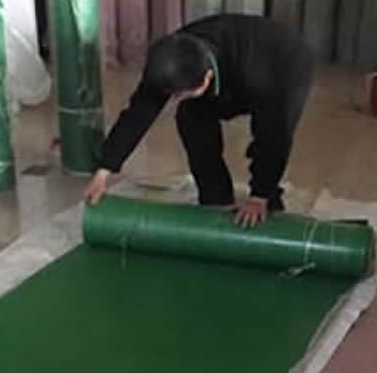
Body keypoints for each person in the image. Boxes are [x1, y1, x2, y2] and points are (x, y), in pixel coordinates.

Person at [83, 13, 315, 228]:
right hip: (232, 61)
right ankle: (216, 197)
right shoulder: (170, 59)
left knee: (272, 133)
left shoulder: (260, 76)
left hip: (283, 63)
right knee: (189, 116)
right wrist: (105, 168)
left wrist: (259, 194)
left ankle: (268, 199)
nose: (174, 99)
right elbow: (137, 113)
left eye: (180, 94)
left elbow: (273, 134)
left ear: (206, 79)